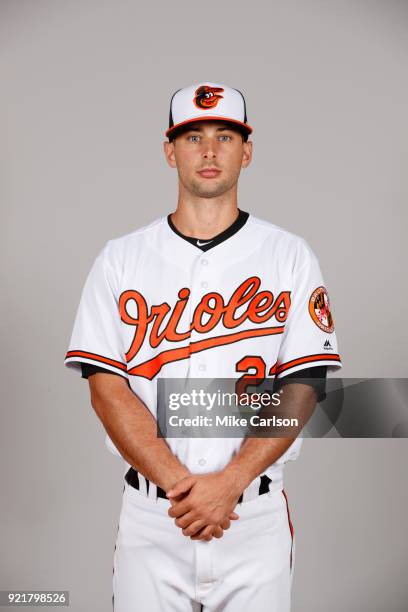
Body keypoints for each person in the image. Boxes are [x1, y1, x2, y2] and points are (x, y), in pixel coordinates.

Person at [64, 82, 342, 611]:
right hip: (154, 519)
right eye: (193, 137)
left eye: (225, 136)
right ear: (170, 152)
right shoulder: (120, 259)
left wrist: (231, 482)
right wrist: (184, 489)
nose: (210, 151)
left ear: (247, 151)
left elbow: (305, 385)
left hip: (253, 522)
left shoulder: (289, 256)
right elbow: (105, 389)